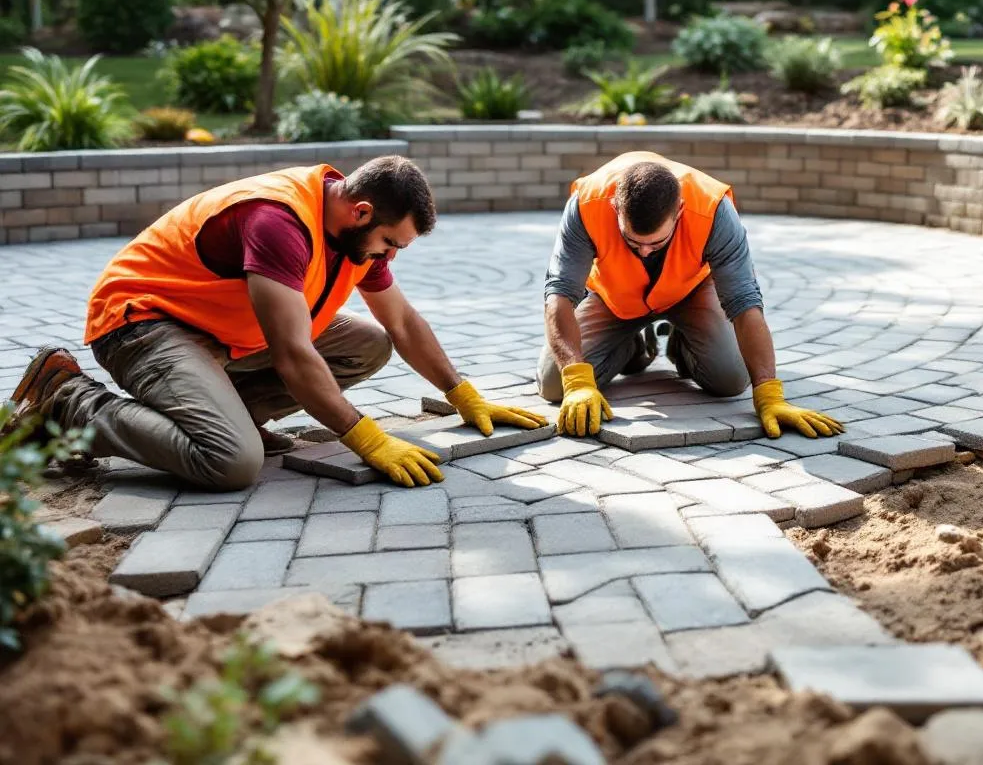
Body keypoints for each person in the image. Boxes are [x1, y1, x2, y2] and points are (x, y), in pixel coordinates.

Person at [6, 156, 546, 491]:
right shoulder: (279, 222)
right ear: (360, 212)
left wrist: (461, 392)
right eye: (390, 242)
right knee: (232, 462)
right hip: (145, 322)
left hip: (217, 330)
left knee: (369, 344)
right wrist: (366, 437)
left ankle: (217, 411)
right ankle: (68, 401)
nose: (389, 256)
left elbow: (402, 322)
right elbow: (292, 354)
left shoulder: (356, 233)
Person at [537, 150, 844, 441]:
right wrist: (577, 382)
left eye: (656, 244)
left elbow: (745, 303)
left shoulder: (713, 209)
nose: (644, 251)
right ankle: (632, 348)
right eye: (633, 241)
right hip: (615, 296)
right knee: (554, 384)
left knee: (731, 379)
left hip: (691, 290)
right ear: (616, 208)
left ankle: (683, 344)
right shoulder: (587, 203)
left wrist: (769, 394)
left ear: (680, 211)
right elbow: (559, 294)